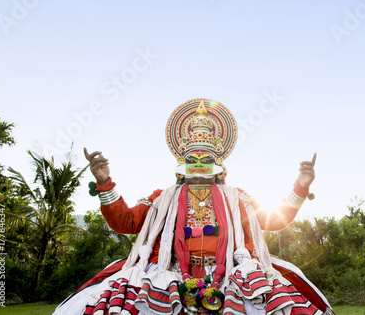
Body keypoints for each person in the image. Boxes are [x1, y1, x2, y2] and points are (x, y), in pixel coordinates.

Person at [54, 99, 335, 315]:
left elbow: (276, 219)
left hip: (231, 274)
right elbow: (124, 223)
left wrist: (301, 186)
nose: (199, 161)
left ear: (218, 163)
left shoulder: (236, 197)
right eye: (193, 156)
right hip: (169, 272)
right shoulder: (161, 198)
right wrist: (105, 183)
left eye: (205, 156)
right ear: (181, 162)